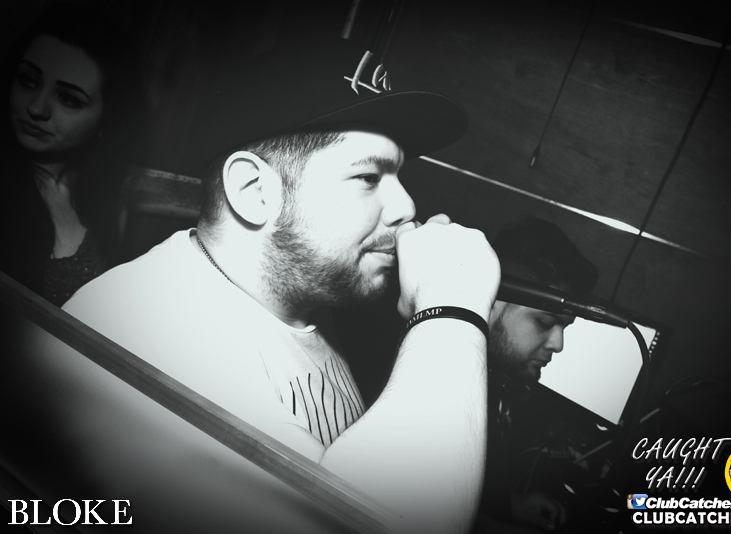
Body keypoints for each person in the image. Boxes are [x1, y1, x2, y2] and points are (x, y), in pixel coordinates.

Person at [63, 38, 500, 533]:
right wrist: (450, 310)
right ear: (254, 192)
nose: (406, 207)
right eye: (368, 176)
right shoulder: (145, 331)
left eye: (398, 175)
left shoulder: (298, 293)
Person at [0, 4, 144, 306]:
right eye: (28, 81)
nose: (36, 108)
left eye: (68, 99)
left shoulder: (106, 200)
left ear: (107, 119)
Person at [475, 216, 598, 533]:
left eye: (564, 328)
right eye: (544, 323)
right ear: (492, 301)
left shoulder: (498, 382)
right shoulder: (444, 391)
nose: (558, 344)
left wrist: (510, 504)